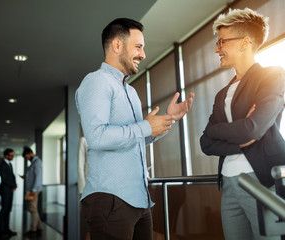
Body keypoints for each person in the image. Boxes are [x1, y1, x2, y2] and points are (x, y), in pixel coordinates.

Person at [76, 18, 194, 240]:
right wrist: (144, 127)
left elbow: (134, 138)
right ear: (117, 45)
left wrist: (167, 120)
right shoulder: (97, 82)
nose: (143, 54)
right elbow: (97, 137)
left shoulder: (129, 91)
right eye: (138, 47)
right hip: (110, 199)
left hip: (139, 199)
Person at [200, 8, 285, 240]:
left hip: (261, 181)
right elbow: (205, 142)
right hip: (228, 183)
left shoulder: (272, 77)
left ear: (244, 42)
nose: (217, 49)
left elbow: (253, 128)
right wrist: (240, 143)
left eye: (222, 42)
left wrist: (220, 132)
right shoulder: (221, 94)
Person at [22, 146, 43, 236]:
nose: (27, 159)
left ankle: (33, 228)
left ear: (30, 154)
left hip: (33, 190)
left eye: (27, 157)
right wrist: (25, 176)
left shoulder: (37, 162)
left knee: (32, 208)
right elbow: (33, 175)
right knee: (33, 208)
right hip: (31, 189)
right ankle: (40, 226)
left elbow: (38, 177)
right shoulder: (33, 162)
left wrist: (33, 189)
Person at [0, 148, 17, 237]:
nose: (13, 157)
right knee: (4, 210)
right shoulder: (2, 165)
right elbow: (4, 179)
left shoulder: (9, 164)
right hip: (5, 190)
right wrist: (13, 185)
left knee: (8, 210)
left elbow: (11, 176)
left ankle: (6, 229)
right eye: (11, 155)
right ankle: (0, 230)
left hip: (10, 190)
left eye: (13, 155)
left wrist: (14, 185)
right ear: (6, 156)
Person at [77, 131, 90, 240]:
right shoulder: (84, 140)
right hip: (89, 189)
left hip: (107, 189)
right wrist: (82, 189)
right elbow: (80, 167)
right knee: (89, 224)